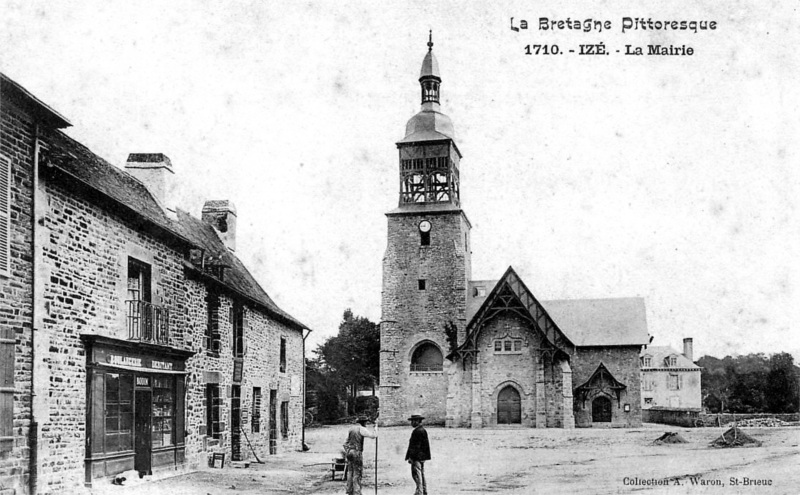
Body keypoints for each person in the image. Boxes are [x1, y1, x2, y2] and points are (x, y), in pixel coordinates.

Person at [343, 416, 377, 495]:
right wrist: (376, 427)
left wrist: (347, 451)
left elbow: (345, 443)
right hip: (356, 452)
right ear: (363, 422)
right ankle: (357, 492)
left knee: (350, 472)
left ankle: (349, 490)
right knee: (357, 472)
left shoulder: (351, 429)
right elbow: (373, 436)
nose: (366, 424)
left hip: (349, 451)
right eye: (366, 422)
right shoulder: (362, 429)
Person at [405, 414, 431, 495]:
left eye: (412, 421)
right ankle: (424, 490)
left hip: (416, 457)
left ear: (416, 421)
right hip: (422, 456)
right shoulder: (423, 430)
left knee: (416, 475)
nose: (411, 423)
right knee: (421, 474)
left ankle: (419, 492)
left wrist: (411, 457)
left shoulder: (417, 431)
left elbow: (415, 446)